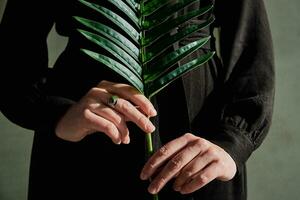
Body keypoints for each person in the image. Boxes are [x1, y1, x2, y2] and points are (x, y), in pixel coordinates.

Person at [0, 0, 274, 199]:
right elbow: (12, 57)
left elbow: (252, 47)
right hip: (85, 139)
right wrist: (57, 113)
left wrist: (231, 142)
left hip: (199, 144)